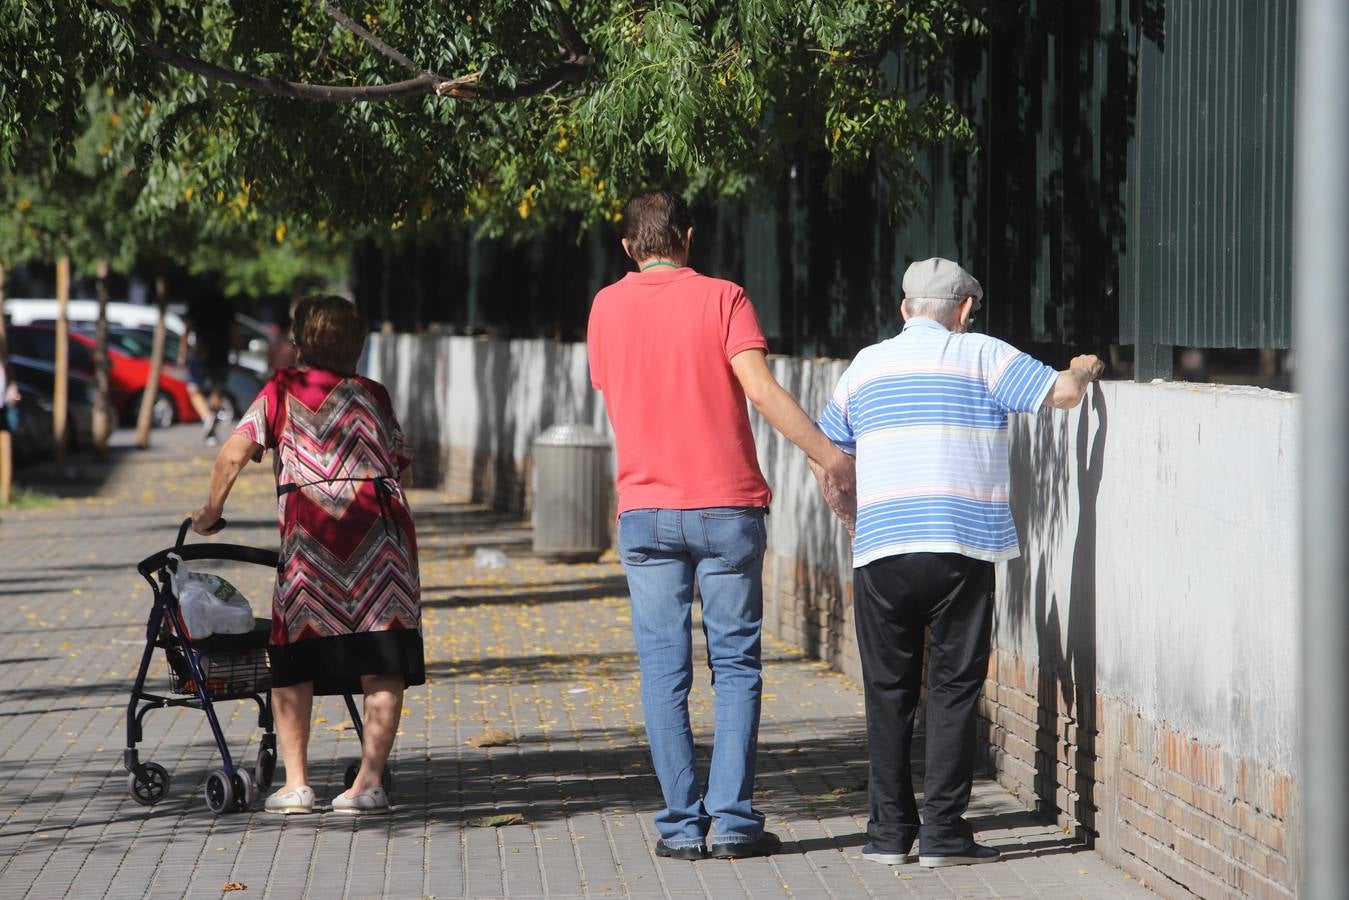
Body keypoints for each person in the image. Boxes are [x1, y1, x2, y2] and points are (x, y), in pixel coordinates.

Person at [587, 190, 856, 861]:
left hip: (644, 512)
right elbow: (760, 390)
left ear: (627, 247)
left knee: (662, 671)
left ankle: (681, 828)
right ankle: (733, 821)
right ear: (688, 237)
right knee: (734, 665)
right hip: (725, 508)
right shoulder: (723, 297)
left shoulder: (604, 306)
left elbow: (616, 389)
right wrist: (831, 458)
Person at [812, 257, 1103, 868]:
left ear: (904, 309)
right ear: (965, 308)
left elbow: (828, 458)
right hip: (960, 550)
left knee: (887, 691)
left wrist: (851, 518)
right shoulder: (985, 357)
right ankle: (944, 833)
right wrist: (1081, 367)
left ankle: (888, 835)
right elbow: (1065, 395)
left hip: (882, 551)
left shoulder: (864, 367)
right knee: (952, 689)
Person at [191, 295, 424, 815]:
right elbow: (401, 465)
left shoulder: (283, 387)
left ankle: (296, 785)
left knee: (294, 657)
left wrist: (210, 511)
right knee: (382, 657)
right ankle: (367, 784)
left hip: (313, 539)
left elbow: (233, 452)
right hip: (382, 539)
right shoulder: (375, 395)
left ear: (301, 343)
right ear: (356, 347)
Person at [181, 294, 236, 444]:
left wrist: (183, 352)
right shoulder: (225, 302)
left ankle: (207, 418)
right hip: (221, 351)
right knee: (218, 388)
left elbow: (187, 328)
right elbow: (233, 330)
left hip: (201, 352)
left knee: (193, 389)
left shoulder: (197, 301)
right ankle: (210, 421)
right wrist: (236, 352)